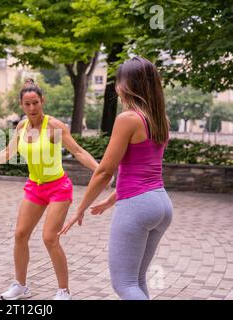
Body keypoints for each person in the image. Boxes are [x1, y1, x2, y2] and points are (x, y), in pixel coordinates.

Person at [0, 79, 100, 300]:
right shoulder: (21, 127)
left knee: (50, 238)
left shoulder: (54, 127)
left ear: (42, 101)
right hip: (34, 187)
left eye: (35, 103)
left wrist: (101, 170)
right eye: (27, 104)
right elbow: (8, 153)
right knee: (20, 235)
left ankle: (63, 291)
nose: (32, 108)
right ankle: (20, 286)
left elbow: (78, 152)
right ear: (21, 105)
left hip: (58, 187)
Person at [59, 56, 173, 300]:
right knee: (137, 280)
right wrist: (110, 202)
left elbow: (104, 171)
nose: (116, 87)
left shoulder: (128, 119)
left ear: (129, 85)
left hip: (138, 206)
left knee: (124, 284)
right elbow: (142, 170)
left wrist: (80, 208)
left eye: (119, 81)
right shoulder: (161, 120)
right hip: (161, 203)